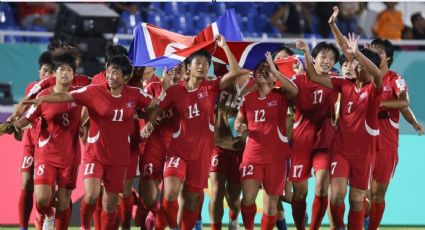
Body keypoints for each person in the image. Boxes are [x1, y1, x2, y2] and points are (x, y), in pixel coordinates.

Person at [22, 54, 155, 230]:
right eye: (109, 71)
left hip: (119, 157)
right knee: (91, 195)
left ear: (126, 77)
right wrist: (41, 99)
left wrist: (149, 121)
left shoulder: (135, 94)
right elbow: (66, 96)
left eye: (116, 73)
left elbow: (155, 106)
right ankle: (85, 226)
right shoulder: (94, 91)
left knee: (110, 204)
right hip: (95, 153)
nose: (110, 76)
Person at [149, 35, 246, 230]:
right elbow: (157, 111)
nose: (202, 66)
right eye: (198, 62)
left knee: (191, 200)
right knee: (169, 194)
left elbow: (235, 71)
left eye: (205, 63)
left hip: (201, 154)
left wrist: (225, 46)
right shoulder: (175, 91)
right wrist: (148, 124)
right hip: (178, 151)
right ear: (188, 67)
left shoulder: (211, 87)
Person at [297, 33, 382, 229]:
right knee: (336, 197)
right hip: (341, 151)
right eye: (356, 64)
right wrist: (307, 53)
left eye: (361, 64)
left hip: (364, 156)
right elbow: (313, 76)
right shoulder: (343, 84)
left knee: (355, 201)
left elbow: (377, 75)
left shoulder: (374, 90)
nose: (356, 66)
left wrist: (358, 55)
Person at [4, 50, 82, 230]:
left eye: (69, 70)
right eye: (61, 69)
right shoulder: (42, 96)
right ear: (54, 73)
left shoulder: (81, 94)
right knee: (42, 199)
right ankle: (47, 214)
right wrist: (13, 125)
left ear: (73, 74)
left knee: (63, 203)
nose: (65, 73)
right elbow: (27, 118)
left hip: (70, 158)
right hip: (46, 155)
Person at [234, 52, 298, 230]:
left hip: (276, 159)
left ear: (274, 76)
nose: (263, 71)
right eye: (259, 69)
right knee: (247, 198)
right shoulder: (248, 98)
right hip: (252, 156)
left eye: (267, 69)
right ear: (253, 75)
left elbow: (295, 90)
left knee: (271, 206)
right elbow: (239, 119)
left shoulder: (282, 96)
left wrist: (275, 70)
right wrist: (239, 126)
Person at [367, 38, 424, 230]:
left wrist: (414, 122)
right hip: (362, 143)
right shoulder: (363, 77)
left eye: (380, 51)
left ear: (388, 57)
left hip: (386, 144)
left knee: (377, 195)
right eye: (372, 50)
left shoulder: (395, 79)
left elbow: (404, 104)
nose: (375, 54)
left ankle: (371, 226)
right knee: (361, 193)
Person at [287, 41, 339, 230]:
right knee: (299, 194)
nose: (328, 61)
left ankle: (314, 228)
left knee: (322, 187)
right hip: (301, 142)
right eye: (324, 56)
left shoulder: (336, 80)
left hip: (326, 142)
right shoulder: (299, 79)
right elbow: (281, 93)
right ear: (314, 58)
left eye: (332, 58)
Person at [9, 51, 53, 230]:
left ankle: (44, 215)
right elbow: (25, 112)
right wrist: (16, 127)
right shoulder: (32, 88)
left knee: (47, 190)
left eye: (50, 71)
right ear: (39, 71)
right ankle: (22, 226)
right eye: (44, 70)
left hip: (50, 144)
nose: (46, 75)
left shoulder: (58, 92)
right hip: (31, 142)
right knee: (27, 182)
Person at [208, 67, 255, 230]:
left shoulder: (255, 87)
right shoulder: (223, 82)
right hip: (218, 145)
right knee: (216, 192)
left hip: (242, 149)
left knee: (233, 197)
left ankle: (233, 217)